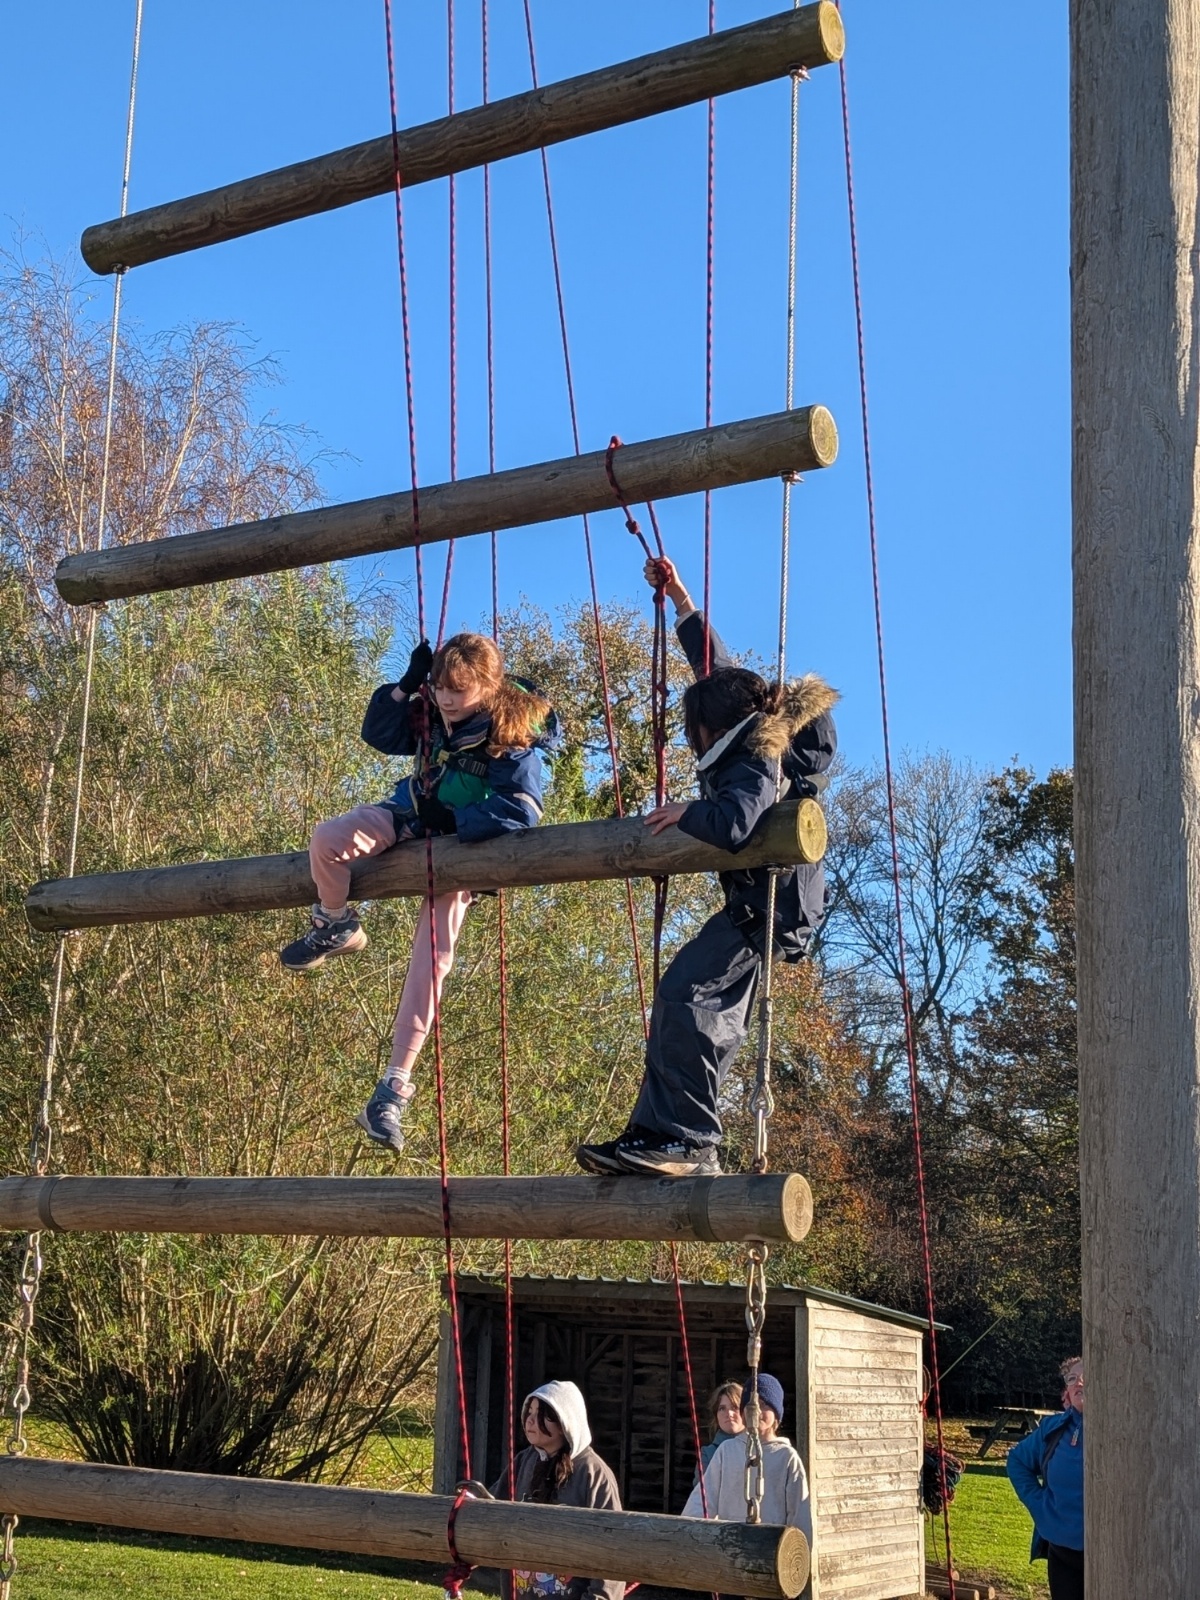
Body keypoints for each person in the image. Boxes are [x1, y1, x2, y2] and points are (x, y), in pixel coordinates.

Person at [577, 557, 838, 1178]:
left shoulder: (754, 758)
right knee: (685, 1000)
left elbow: (735, 824)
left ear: (712, 729)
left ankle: (688, 1141)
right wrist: (681, 600)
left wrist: (687, 812)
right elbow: (715, 668)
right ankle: (658, 1133)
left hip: (768, 910)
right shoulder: (752, 728)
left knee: (689, 997)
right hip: (763, 905)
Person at [279, 632, 557, 1153]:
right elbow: (379, 733)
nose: (447, 699)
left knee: (432, 956)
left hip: (462, 845)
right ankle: (335, 921)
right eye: (441, 687)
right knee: (328, 840)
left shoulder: (511, 730)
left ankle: (393, 1088)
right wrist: (405, 686)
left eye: (459, 690)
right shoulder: (430, 710)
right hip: (411, 812)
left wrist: (454, 820)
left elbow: (522, 810)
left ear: (489, 687)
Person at [489, 1380, 624, 1600]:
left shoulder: (594, 1474)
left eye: (542, 1414)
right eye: (530, 1412)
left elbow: (612, 1550)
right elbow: (490, 1511)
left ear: (564, 1422)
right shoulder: (523, 1462)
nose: (530, 1420)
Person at [682, 1373, 811, 1537]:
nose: (756, 1410)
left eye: (763, 1404)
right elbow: (702, 1501)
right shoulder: (726, 1451)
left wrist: (799, 1548)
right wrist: (684, 1535)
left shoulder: (786, 1457)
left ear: (776, 1413)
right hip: (729, 1542)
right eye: (750, 1404)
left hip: (770, 1544)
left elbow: (799, 1513)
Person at [1006, 1357, 1085, 1600]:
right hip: (1063, 1557)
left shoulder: (1126, 1429)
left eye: (1088, 1376)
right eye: (1072, 1378)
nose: (1079, 1382)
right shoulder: (1052, 1429)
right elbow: (1017, 1461)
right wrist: (1040, 1505)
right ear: (1067, 1393)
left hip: (1117, 1556)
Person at [698, 1379, 745, 1477]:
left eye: (735, 1407)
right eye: (722, 1408)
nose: (729, 1414)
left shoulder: (758, 1448)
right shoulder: (708, 1454)